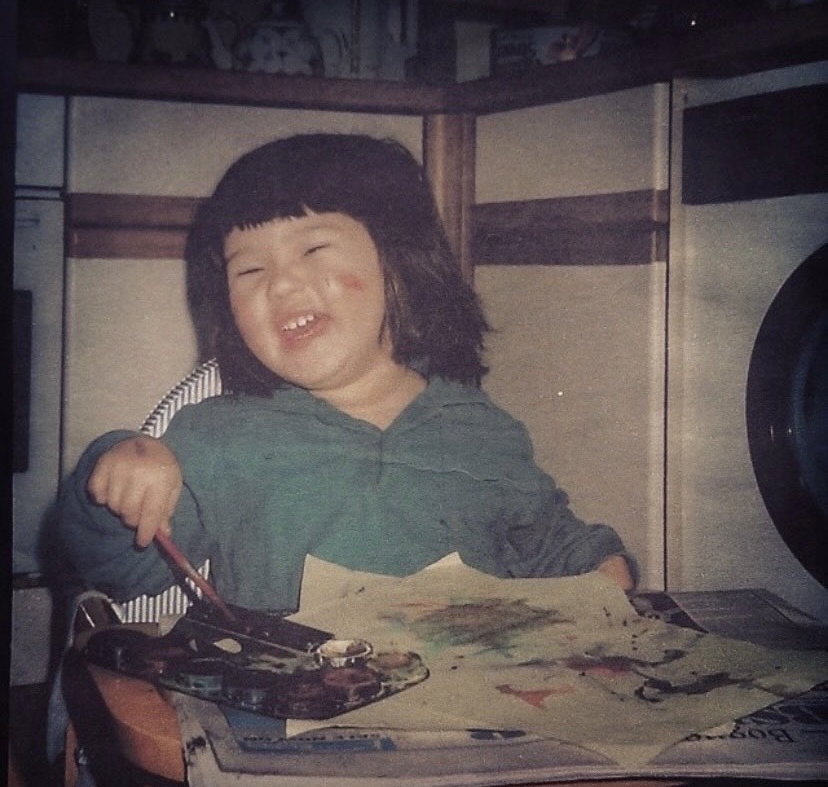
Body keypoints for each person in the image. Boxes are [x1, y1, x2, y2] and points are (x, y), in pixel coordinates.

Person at [50, 133, 636, 614]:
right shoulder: (216, 438)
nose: (280, 284)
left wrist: (598, 568)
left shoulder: (480, 427)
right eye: (249, 271)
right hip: (285, 717)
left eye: (312, 250)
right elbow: (118, 569)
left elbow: (544, 537)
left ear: (398, 263)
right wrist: (115, 476)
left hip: (466, 715)